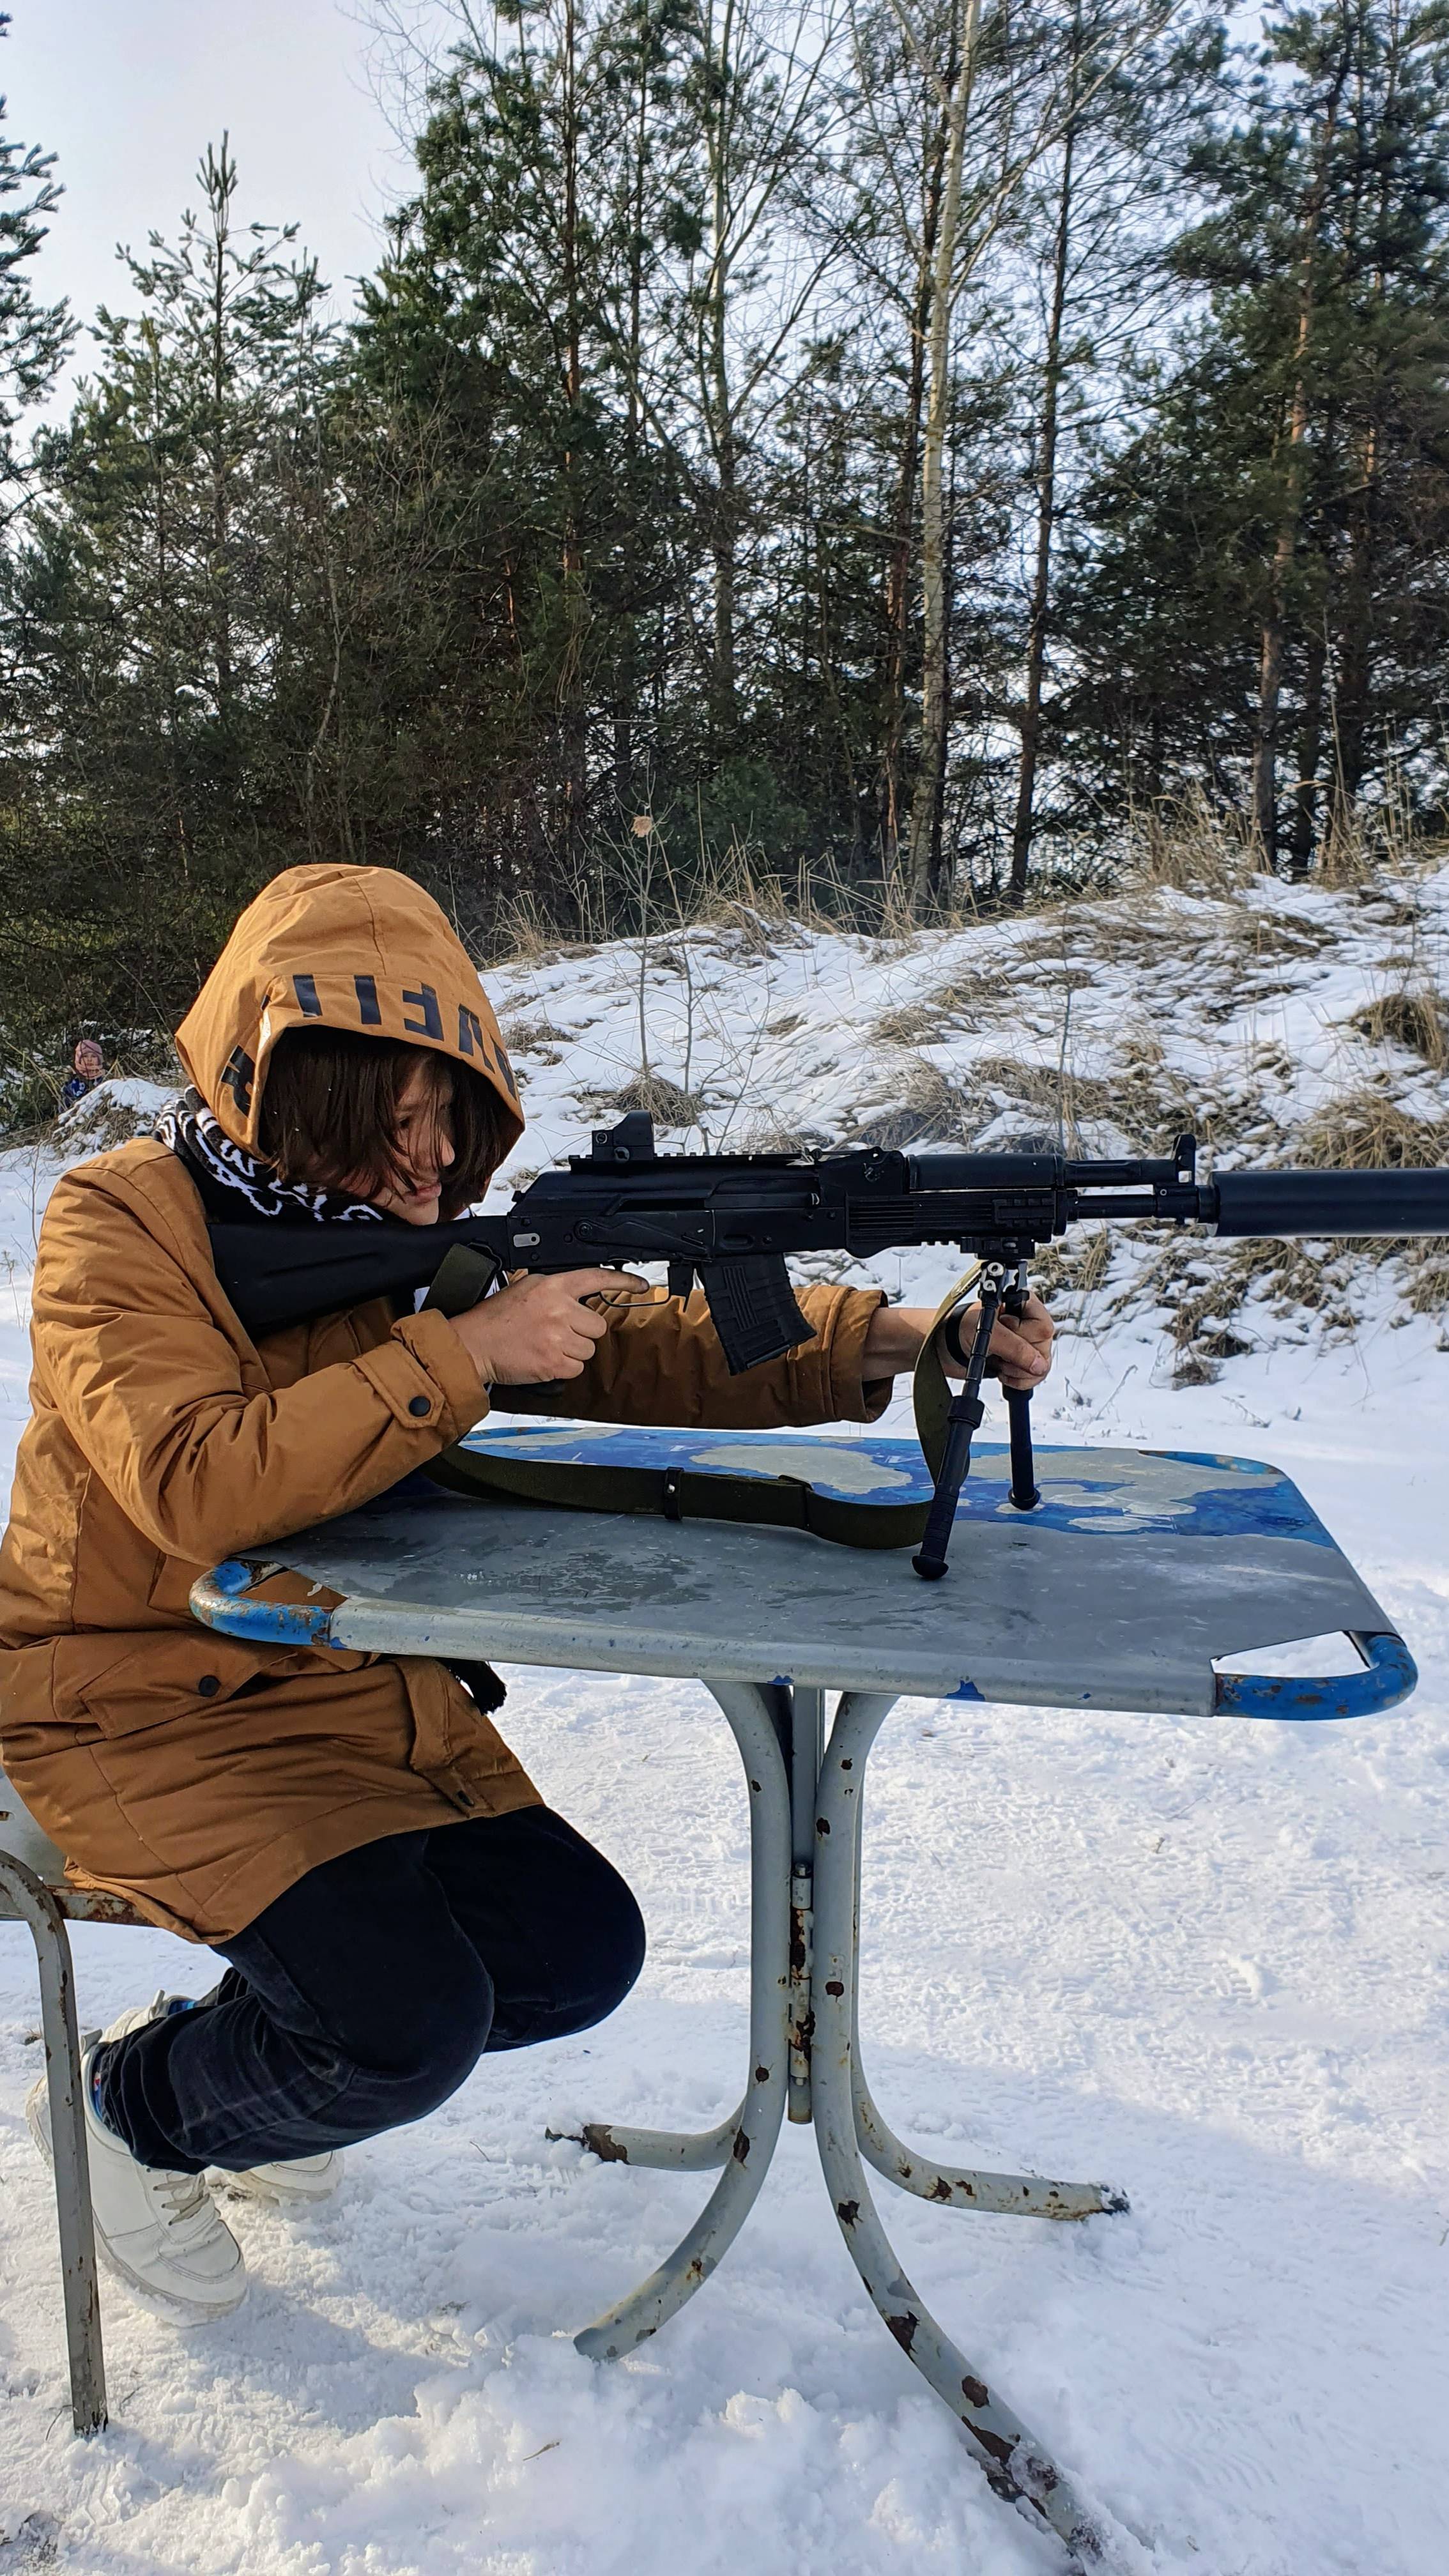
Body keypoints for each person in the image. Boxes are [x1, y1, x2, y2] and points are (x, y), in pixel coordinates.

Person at [0, 863, 1053, 2322]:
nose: (434, 1163)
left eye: (456, 1121)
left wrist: (891, 1337)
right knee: (400, 2034)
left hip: (345, 1683)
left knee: (571, 1956)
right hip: (132, 1699)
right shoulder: (123, 1222)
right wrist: (469, 1354)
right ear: (286, 1088)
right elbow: (191, 1479)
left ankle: (250, 2059)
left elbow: (655, 1341)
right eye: (395, 1121)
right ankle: (135, 2107)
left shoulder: (412, 1236)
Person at [60, 1036, 104, 1107]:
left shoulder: (107, 1079)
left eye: (93, 1056)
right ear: (78, 1059)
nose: (89, 1060)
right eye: (85, 1056)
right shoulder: (71, 1084)